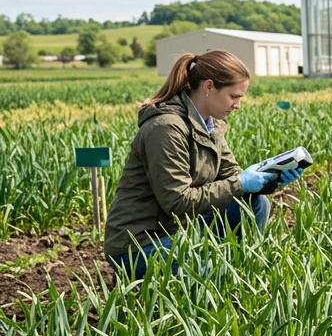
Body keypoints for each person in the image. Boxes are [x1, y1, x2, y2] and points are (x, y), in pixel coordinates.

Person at [103, 50, 302, 277]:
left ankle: (240, 266)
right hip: (141, 243)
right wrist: (241, 183)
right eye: (234, 96)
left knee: (256, 203)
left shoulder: (211, 125)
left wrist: (272, 178)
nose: (238, 105)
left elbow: (232, 176)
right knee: (215, 269)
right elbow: (178, 202)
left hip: (179, 229)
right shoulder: (165, 128)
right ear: (208, 87)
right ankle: (222, 272)